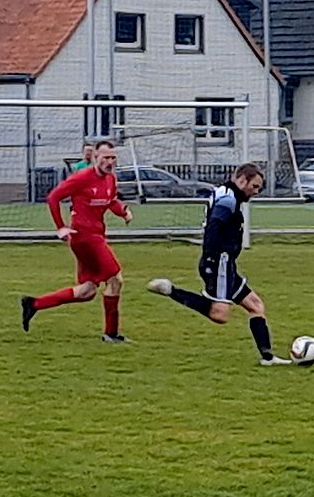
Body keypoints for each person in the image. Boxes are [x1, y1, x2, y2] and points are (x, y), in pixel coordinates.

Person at [146, 163, 292, 366]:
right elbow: (214, 226)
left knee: (256, 305)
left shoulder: (225, 193)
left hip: (226, 263)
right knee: (220, 314)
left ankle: (268, 357)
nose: (256, 192)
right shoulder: (228, 199)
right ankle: (171, 291)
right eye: (255, 186)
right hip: (219, 262)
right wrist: (211, 257)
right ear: (242, 180)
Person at [21, 140, 133, 342]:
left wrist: (123, 211)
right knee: (115, 279)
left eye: (113, 158)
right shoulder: (82, 178)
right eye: (105, 157)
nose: (109, 162)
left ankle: (34, 304)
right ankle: (111, 334)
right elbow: (53, 197)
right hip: (84, 237)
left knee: (86, 291)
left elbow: (111, 200)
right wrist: (61, 227)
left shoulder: (110, 179)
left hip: (96, 235)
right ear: (96, 157)